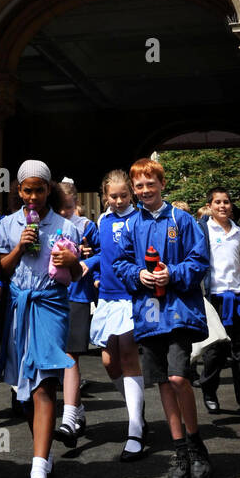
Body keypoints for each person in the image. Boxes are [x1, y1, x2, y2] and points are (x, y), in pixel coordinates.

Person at [113, 159, 214, 478]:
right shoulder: (131, 225)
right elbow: (121, 264)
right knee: (162, 384)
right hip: (148, 316)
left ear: (161, 184)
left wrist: (173, 273)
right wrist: (137, 274)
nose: (144, 191)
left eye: (149, 184)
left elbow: (199, 261)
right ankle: (179, 450)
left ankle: (197, 445)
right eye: (138, 186)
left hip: (179, 312)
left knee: (177, 377)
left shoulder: (182, 220)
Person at [0, 160, 82, 478]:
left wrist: (69, 263)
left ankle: (37, 474)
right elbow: (0, 271)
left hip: (51, 305)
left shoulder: (65, 227)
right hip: (19, 308)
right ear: (18, 190)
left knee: (45, 382)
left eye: (40, 189)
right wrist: (19, 246)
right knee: (26, 388)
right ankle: (43, 457)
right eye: (27, 190)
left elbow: (75, 275)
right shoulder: (6, 225)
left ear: (49, 190)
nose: (33, 196)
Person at [83, 169, 146, 460]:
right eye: (113, 196)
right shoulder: (103, 220)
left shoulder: (139, 219)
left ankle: (135, 428)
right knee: (109, 362)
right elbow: (104, 253)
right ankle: (137, 407)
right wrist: (89, 264)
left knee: (128, 355)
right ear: (104, 196)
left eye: (123, 195)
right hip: (107, 297)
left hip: (130, 296)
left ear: (130, 193)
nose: (118, 201)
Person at [198, 187, 240, 427]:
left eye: (226, 202)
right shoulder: (202, 230)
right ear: (210, 206)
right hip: (214, 297)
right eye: (217, 202)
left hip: (238, 297)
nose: (223, 206)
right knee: (215, 352)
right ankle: (208, 387)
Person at [54, 185, 99, 447]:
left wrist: (87, 262)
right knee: (58, 356)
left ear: (76, 202)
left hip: (78, 295)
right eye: (59, 207)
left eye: (68, 207)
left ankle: (69, 417)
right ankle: (78, 410)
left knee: (71, 354)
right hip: (51, 295)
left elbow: (106, 253)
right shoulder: (46, 223)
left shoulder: (87, 226)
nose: (64, 212)